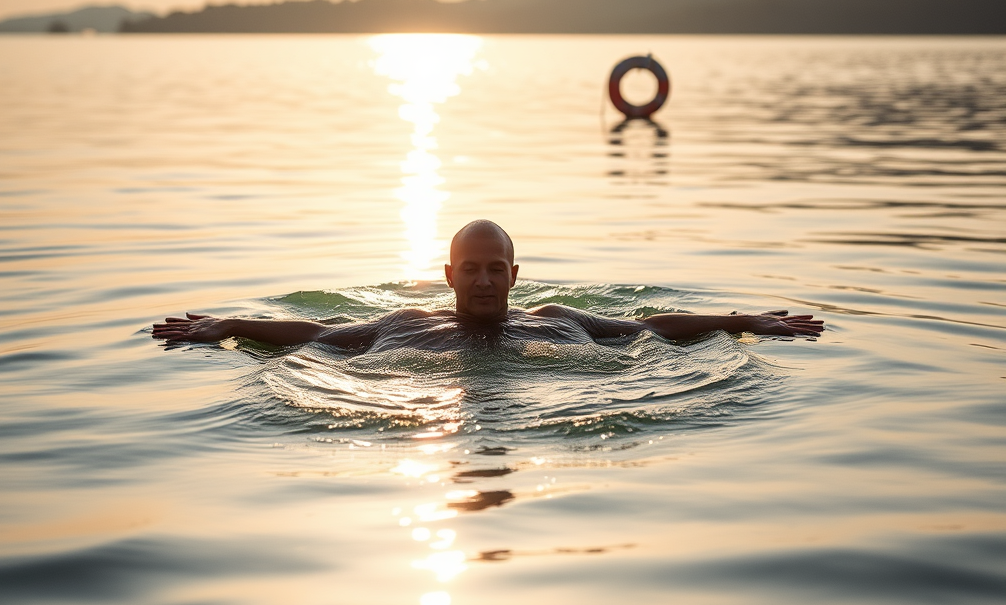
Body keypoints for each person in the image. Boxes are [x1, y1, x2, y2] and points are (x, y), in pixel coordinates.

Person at [152, 219, 824, 350]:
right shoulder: (410, 327)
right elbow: (321, 334)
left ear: (514, 275)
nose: (481, 279)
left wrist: (742, 321)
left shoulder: (555, 317)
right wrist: (234, 326)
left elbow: (653, 329)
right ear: (449, 275)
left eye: (494, 268)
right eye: (469, 268)